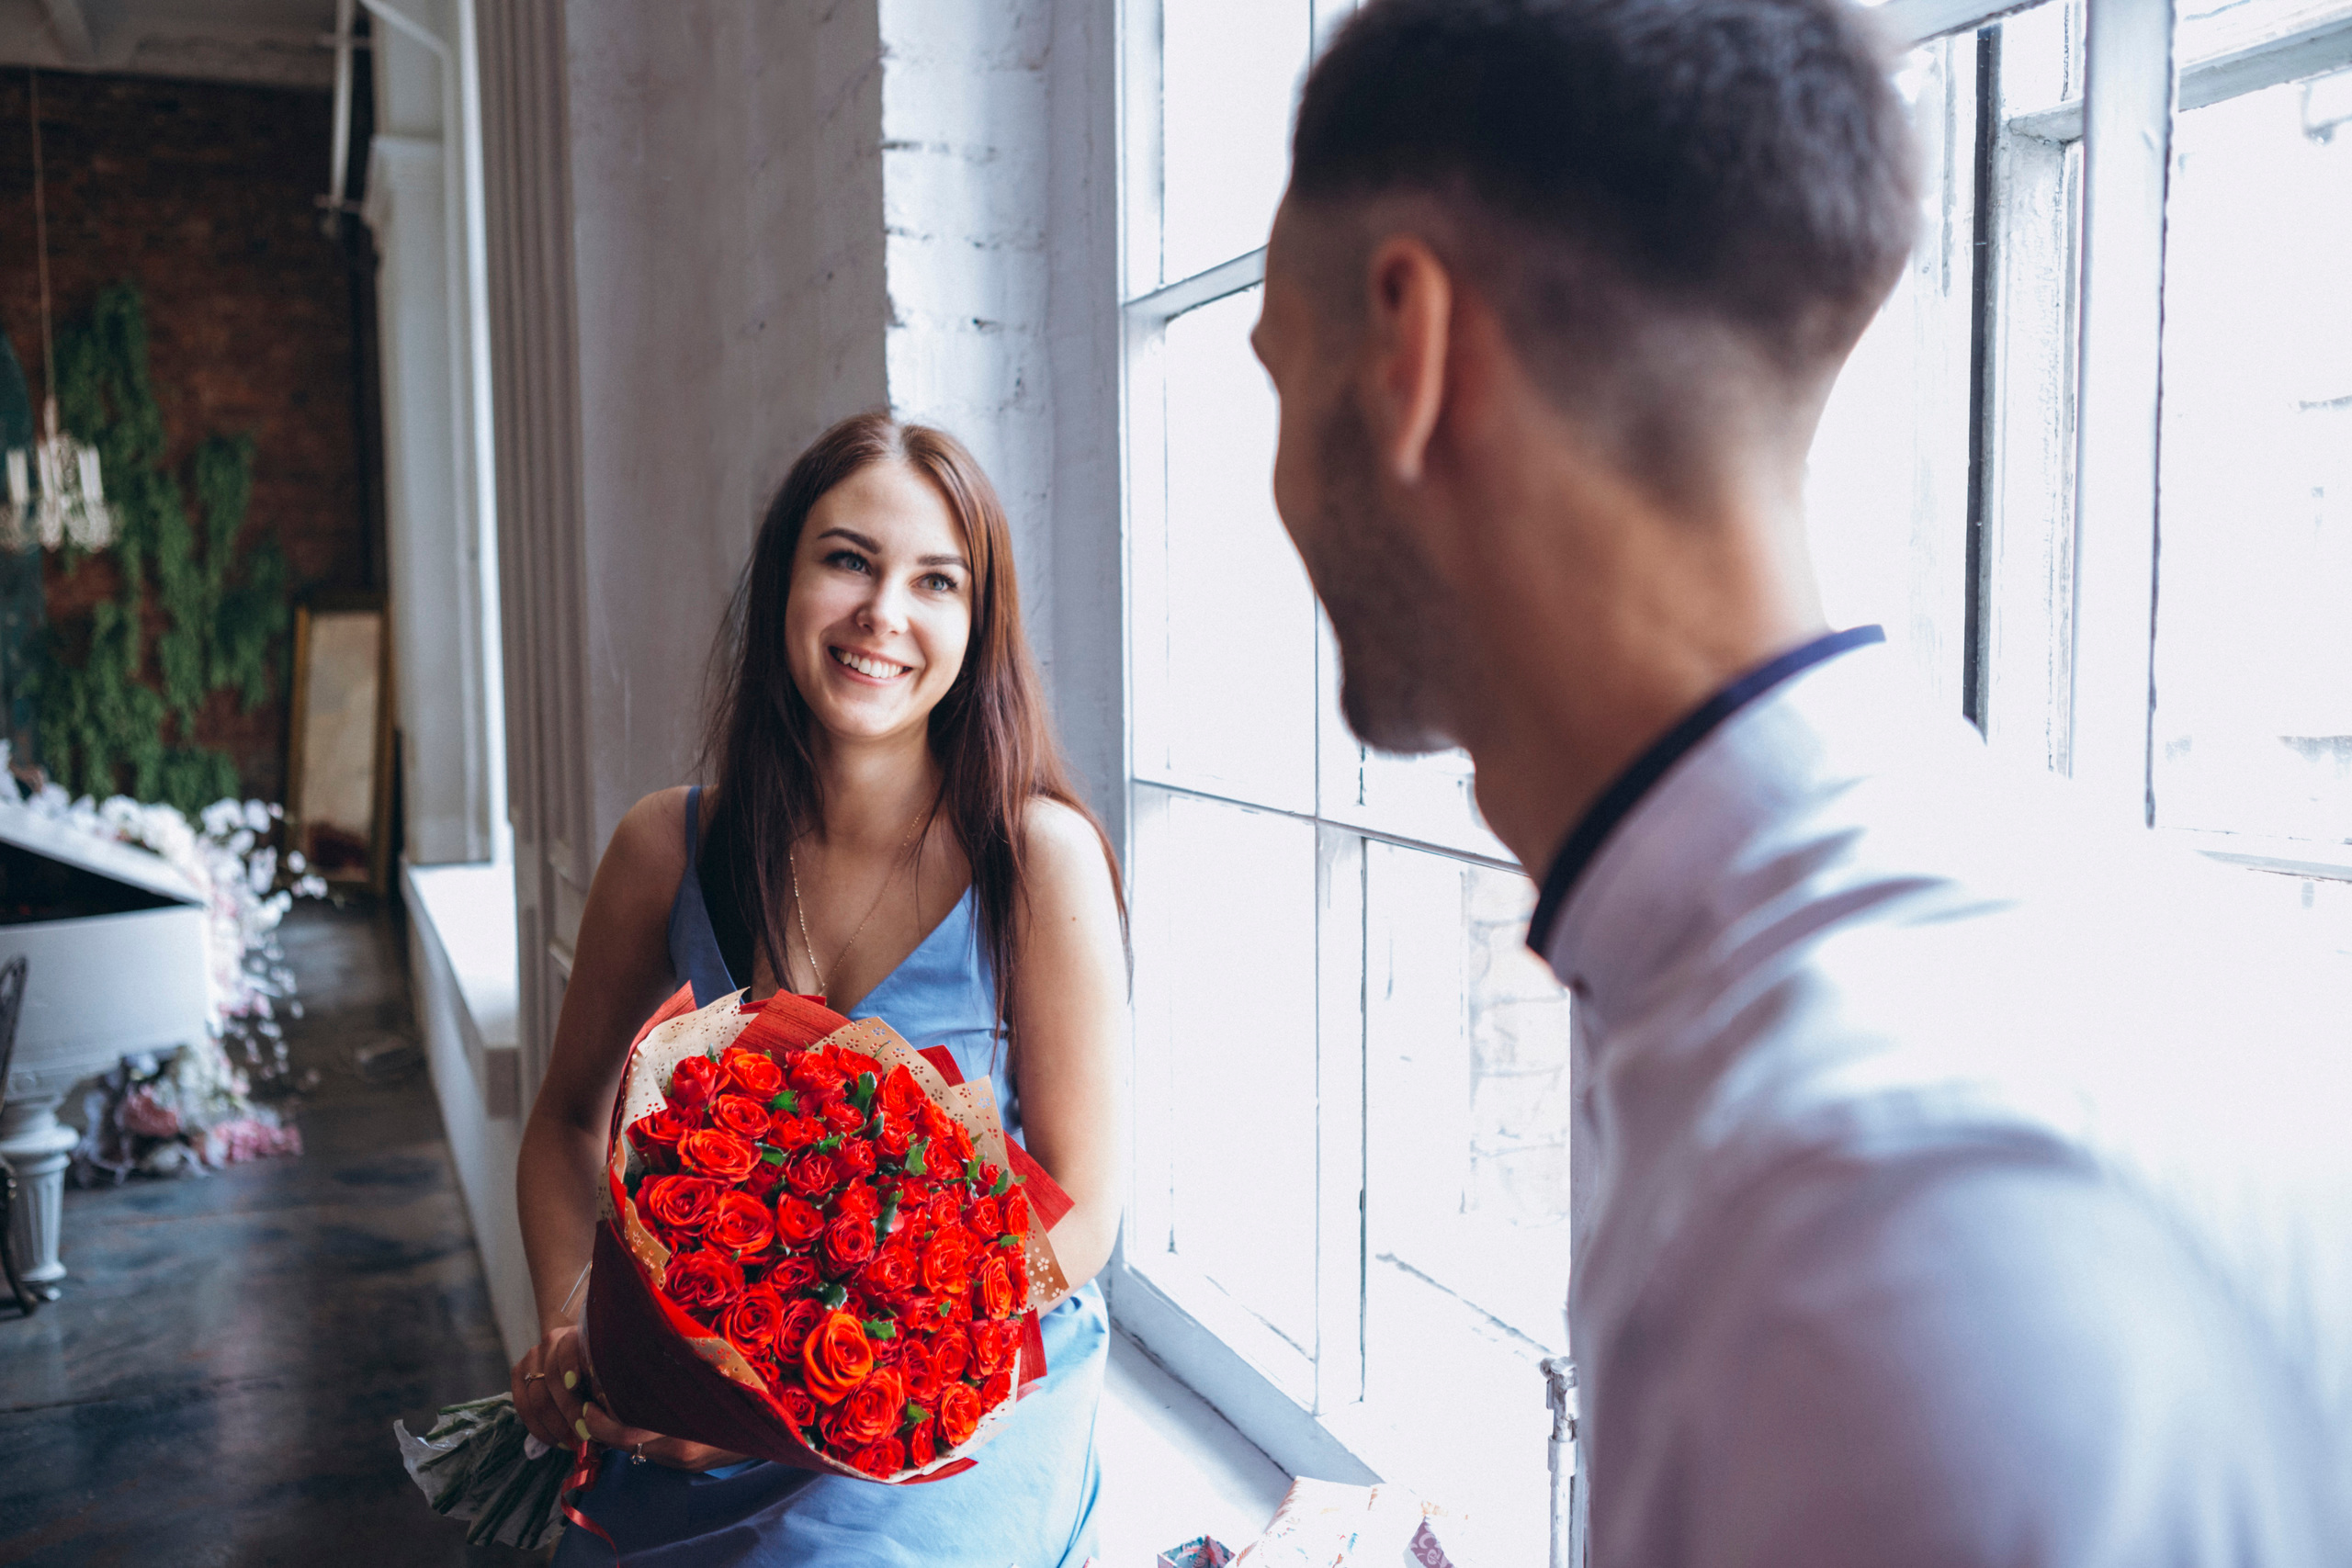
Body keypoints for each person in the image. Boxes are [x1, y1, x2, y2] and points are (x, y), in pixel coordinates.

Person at [1251, 1, 2352, 1561]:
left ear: (1410, 348)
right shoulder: (2040, 915)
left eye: (1281, 376)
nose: (1280, 476)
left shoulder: (1866, 1230)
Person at [507, 412, 1127, 1567]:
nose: (883, 613)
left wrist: (832, 1390)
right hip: (694, 1402)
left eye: (934, 581)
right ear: (783, 581)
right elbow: (563, 1123)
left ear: (976, 625)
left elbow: (1084, 1210)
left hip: (950, 1404)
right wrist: (580, 1328)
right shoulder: (664, 847)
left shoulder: (1036, 857)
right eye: (848, 559)